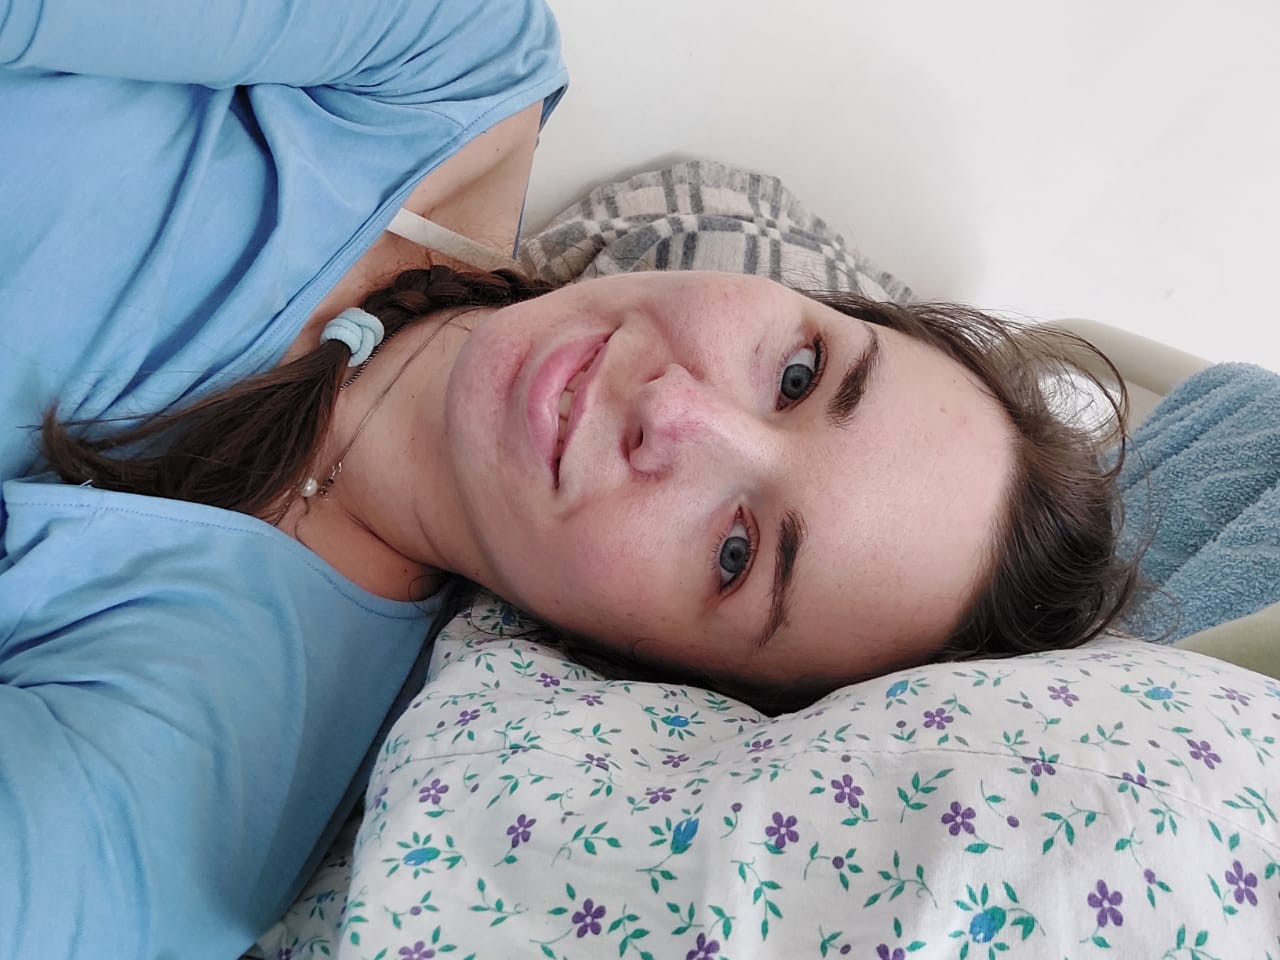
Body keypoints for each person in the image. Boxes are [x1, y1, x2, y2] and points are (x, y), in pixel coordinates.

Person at [0, 1, 1134, 957]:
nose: (676, 415)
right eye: (797, 374)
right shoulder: (445, 50)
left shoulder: (190, 790)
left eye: (736, 553)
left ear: (650, 667)